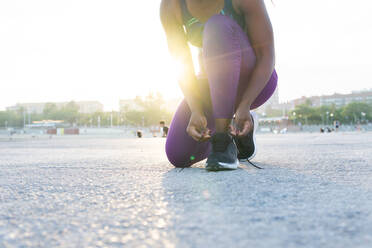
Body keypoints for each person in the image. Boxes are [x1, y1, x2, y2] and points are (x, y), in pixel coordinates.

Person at [160, 0, 277, 171]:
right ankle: (236, 137)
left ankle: (224, 140)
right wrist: (196, 109)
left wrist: (245, 105)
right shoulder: (172, 5)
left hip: (254, 83)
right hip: (213, 87)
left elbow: (266, 56)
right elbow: (181, 64)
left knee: (216, 24)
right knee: (178, 155)